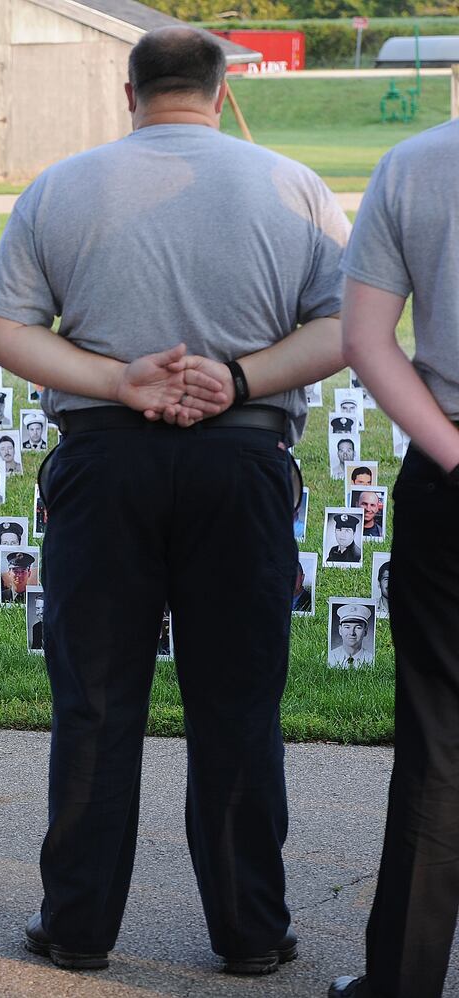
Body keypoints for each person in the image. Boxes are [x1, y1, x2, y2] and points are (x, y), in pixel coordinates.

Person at [0, 27, 347, 975]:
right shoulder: (294, 186)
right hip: (244, 458)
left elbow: (1, 331)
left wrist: (117, 381)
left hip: (106, 462)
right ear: (221, 95)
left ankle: (78, 927)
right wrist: (241, 375)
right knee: (237, 704)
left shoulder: (62, 184)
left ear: (128, 90)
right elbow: (348, 327)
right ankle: (251, 933)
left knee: (97, 703)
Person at [331, 103, 459, 998]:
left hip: (447, 460)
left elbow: (367, 343)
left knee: (439, 737)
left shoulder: (415, 164)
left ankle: (403, 983)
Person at [327, 602, 372, 668]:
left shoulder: (370, 659)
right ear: (340, 630)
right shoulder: (332, 656)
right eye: (347, 627)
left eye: (358, 627)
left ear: (365, 631)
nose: (352, 633)